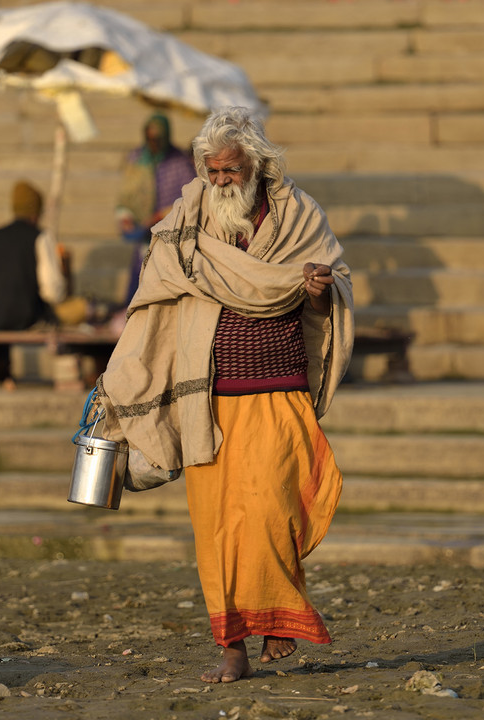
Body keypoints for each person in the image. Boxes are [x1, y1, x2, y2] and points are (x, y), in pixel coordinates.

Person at [97, 106, 354, 683]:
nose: (220, 181)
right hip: (204, 400)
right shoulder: (186, 219)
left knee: (270, 510)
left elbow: (329, 292)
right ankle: (233, 646)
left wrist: (315, 291)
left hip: (278, 390)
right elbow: (155, 294)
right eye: (211, 171)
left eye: (230, 171)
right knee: (216, 527)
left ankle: (279, 620)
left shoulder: (299, 217)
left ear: (258, 165)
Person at [0, 180, 69, 381]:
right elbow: (52, 292)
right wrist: (65, 273)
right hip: (20, 319)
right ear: (36, 213)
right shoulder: (39, 237)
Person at [115, 112, 198, 307]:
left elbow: (188, 198)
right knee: (139, 275)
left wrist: (160, 216)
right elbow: (125, 195)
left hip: (170, 231)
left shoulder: (179, 162)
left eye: (157, 139)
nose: (153, 143)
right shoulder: (135, 158)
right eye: (150, 138)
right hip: (141, 232)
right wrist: (126, 215)